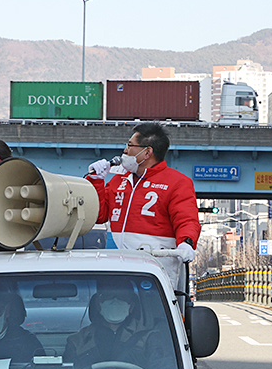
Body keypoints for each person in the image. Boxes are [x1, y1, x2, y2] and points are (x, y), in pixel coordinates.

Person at [85, 123, 200, 289]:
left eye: (130, 145)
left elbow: (187, 219)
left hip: (155, 268)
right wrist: (96, 181)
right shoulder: (119, 180)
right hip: (114, 263)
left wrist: (186, 243)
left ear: (147, 152)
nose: (125, 150)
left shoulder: (177, 182)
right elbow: (99, 215)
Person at [63, 283, 170, 369]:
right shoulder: (77, 341)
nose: (115, 301)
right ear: (98, 305)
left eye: (122, 297)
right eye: (108, 296)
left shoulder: (150, 338)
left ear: (131, 306)